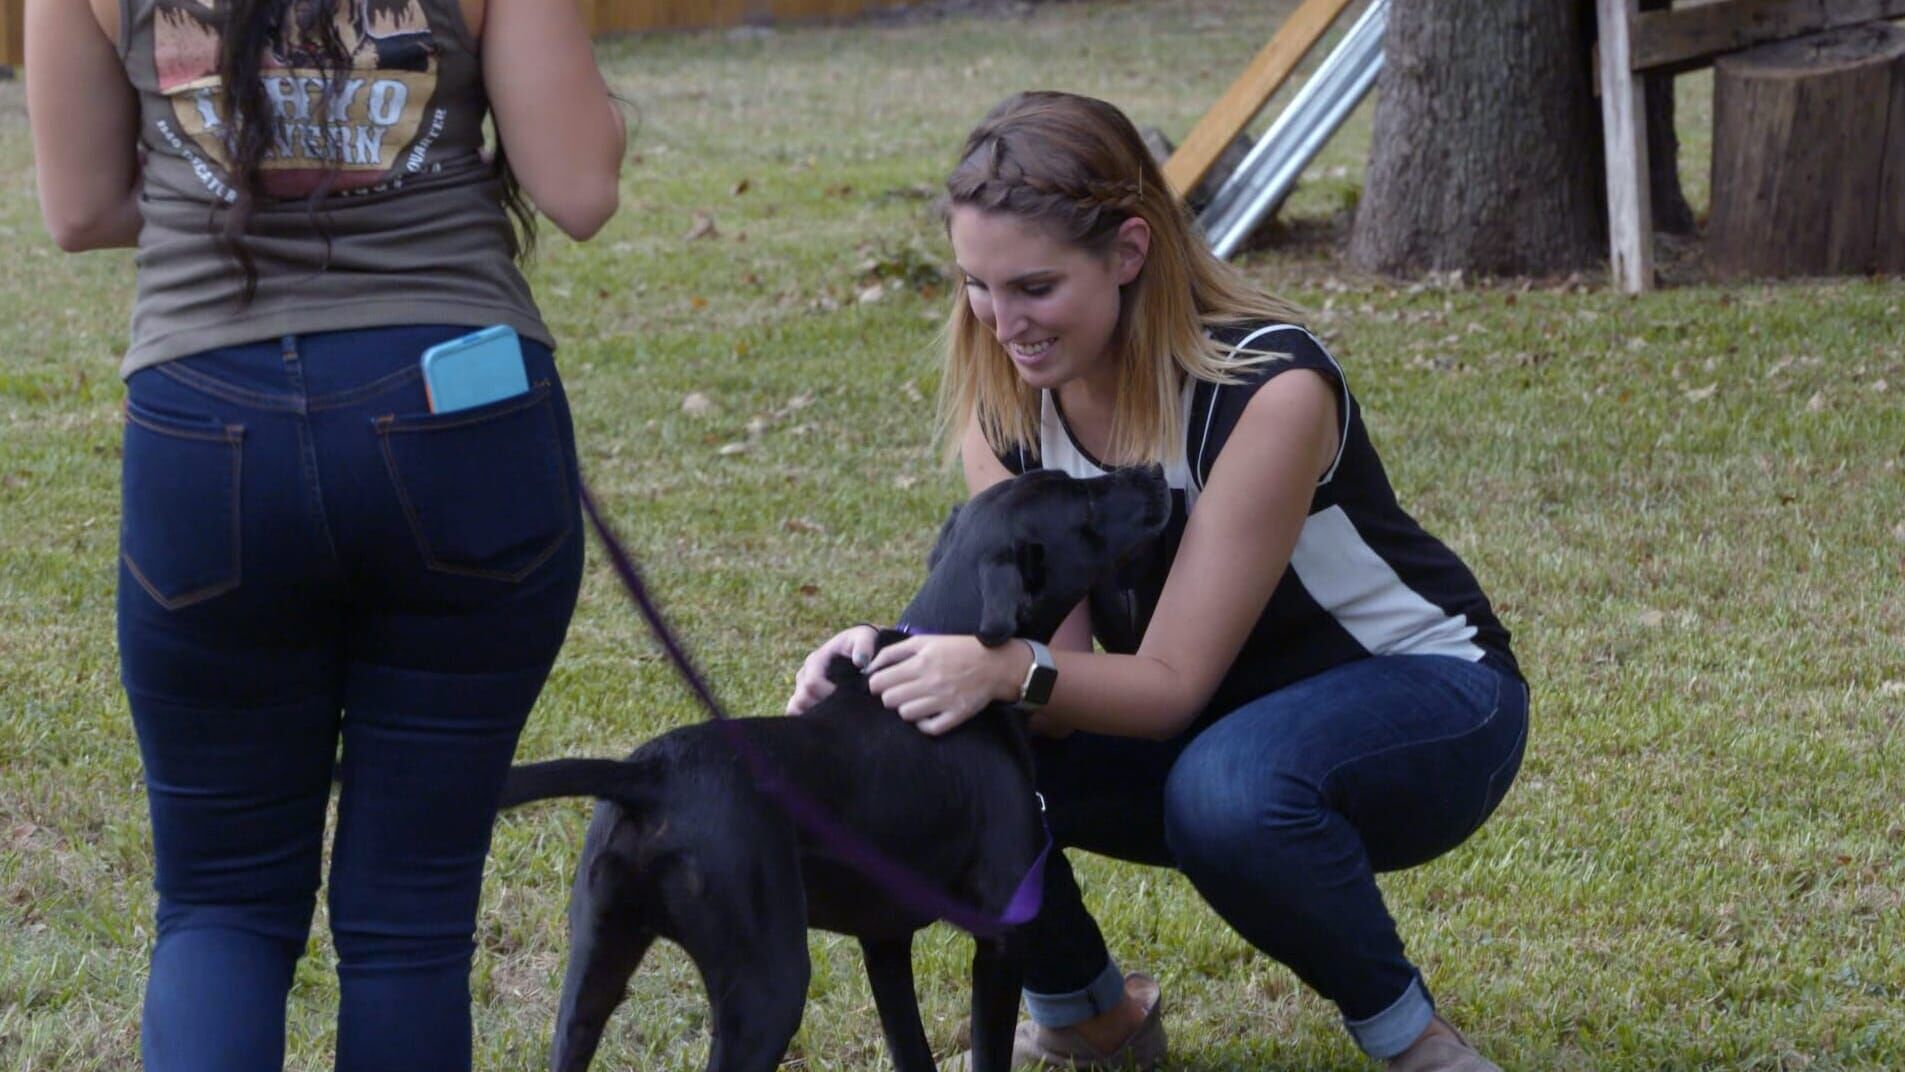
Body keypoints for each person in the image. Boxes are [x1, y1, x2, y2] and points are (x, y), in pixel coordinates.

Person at [787, 91, 1529, 1072]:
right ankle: (1089, 1014)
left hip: (1427, 700)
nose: (1001, 322)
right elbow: (1064, 675)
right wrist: (890, 661)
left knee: (1227, 793)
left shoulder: (1267, 389)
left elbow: (1167, 680)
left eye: (1035, 287)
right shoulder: (1007, 410)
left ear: (1129, 251)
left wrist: (1000, 670)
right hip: (1205, 723)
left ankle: (1413, 1038)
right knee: (950, 749)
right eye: (976, 284)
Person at [26, 0, 622, 1066]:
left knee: (218, 906)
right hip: (459, 418)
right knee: (412, 923)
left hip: (206, 423)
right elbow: (577, 186)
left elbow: (79, 209)